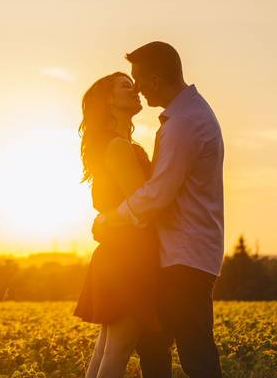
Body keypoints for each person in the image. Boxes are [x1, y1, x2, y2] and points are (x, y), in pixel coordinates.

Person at [94, 41, 225, 378]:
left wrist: (112, 218)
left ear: (155, 80)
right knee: (152, 346)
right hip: (175, 254)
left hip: (185, 256)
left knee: (194, 350)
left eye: (137, 79)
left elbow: (157, 194)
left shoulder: (184, 122)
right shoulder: (185, 116)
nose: (136, 88)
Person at [74, 72, 163, 378]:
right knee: (119, 347)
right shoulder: (120, 147)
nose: (135, 89)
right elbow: (145, 206)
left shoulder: (116, 145)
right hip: (130, 258)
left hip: (117, 254)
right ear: (109, 100)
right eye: (126, 86)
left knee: (108, 347)